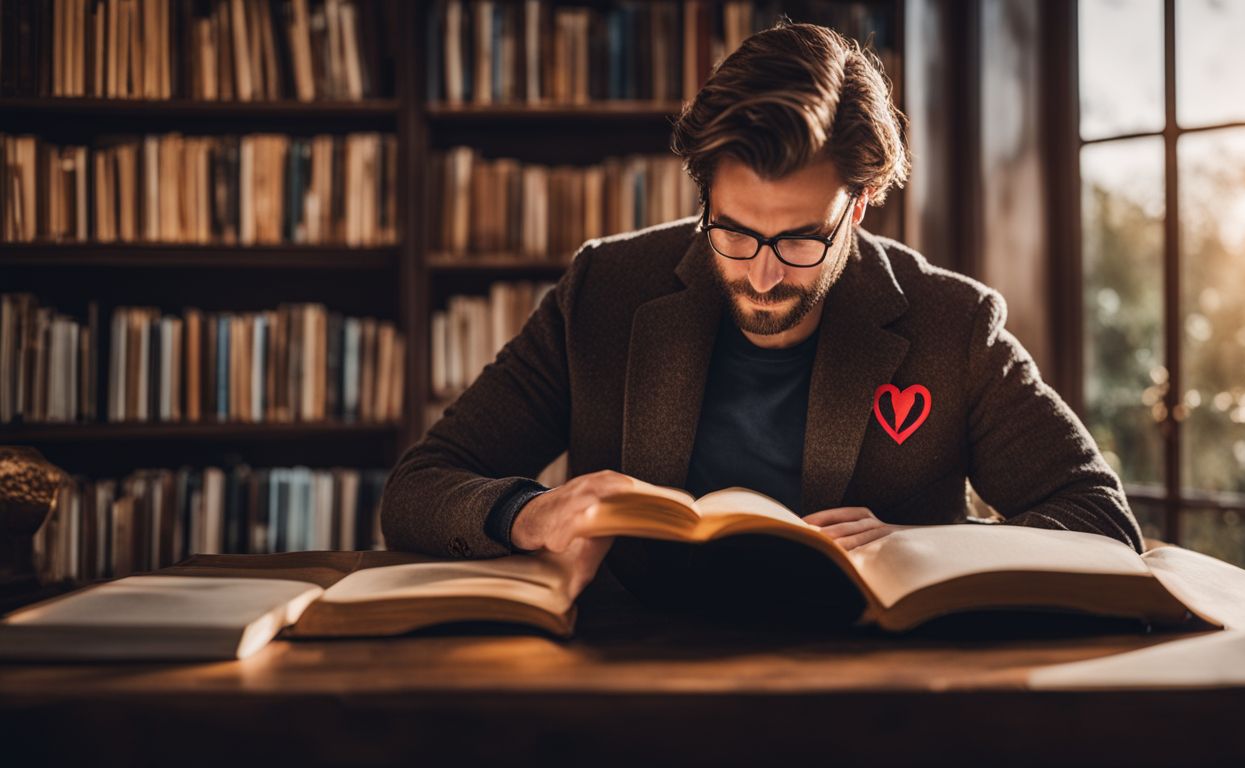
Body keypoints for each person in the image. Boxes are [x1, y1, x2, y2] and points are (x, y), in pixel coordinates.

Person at [379, 21, 1144, 617]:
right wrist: (525, 513)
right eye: (735, 230)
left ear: (861, 204)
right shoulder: (606, 290)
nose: (765, 273)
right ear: (704, 192)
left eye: (803, 238)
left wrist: (930, 547)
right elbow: (417, 489)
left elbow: (1102, 524)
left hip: (880, 687)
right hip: (633, 677)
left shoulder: (952, 323)